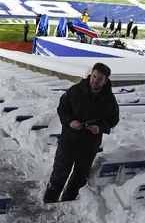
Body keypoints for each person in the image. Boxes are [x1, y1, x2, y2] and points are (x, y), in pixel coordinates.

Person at [44, 63, 120, 204]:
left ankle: (68, 202)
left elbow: (113, 119)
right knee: (60, 172)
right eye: (94, 76)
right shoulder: (75, 90)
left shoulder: (109, 99)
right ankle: (49, 202)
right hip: (69, 140)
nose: (95, 80)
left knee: (79, 177)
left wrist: (100, 127)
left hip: (89, 144)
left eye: (100, 78)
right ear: (91, 74)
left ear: (106, 81)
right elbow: (62, 109)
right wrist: (70, 121)